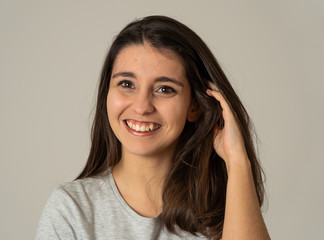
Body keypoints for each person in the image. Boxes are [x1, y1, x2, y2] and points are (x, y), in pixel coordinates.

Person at [36, 15, 270, 240]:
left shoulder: (222, 213)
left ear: (195, 106)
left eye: (164, 89)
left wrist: (237, 160)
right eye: (127, 84)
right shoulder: (72, 210)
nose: (141, 107)